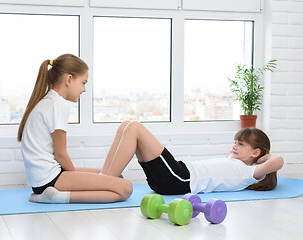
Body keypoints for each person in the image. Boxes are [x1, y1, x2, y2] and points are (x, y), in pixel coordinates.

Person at [17, 54, 132, 203]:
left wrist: (79, 178)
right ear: (69, 79)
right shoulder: (59, 104)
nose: (84, 89)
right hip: (50, 180)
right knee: (125, 188)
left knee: (114, 177)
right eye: (83, 83)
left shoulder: (50, 100)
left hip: (42, 180)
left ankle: (52, 194)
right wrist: (75, 178)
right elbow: (60, 154)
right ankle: (56, 197)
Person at [101, 121, 284, 195]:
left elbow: (278, 161)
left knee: (134, 127)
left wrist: (264, 158)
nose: (234, 146)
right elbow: (234, 154)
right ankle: (103, 177)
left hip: (180, 179)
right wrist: (248, 154)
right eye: (235, 142)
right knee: (127, 126)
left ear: (256, 153)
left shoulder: (250, 172)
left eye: (241, 144)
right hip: (176, 176)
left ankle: (106, 182)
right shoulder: (234, 160)